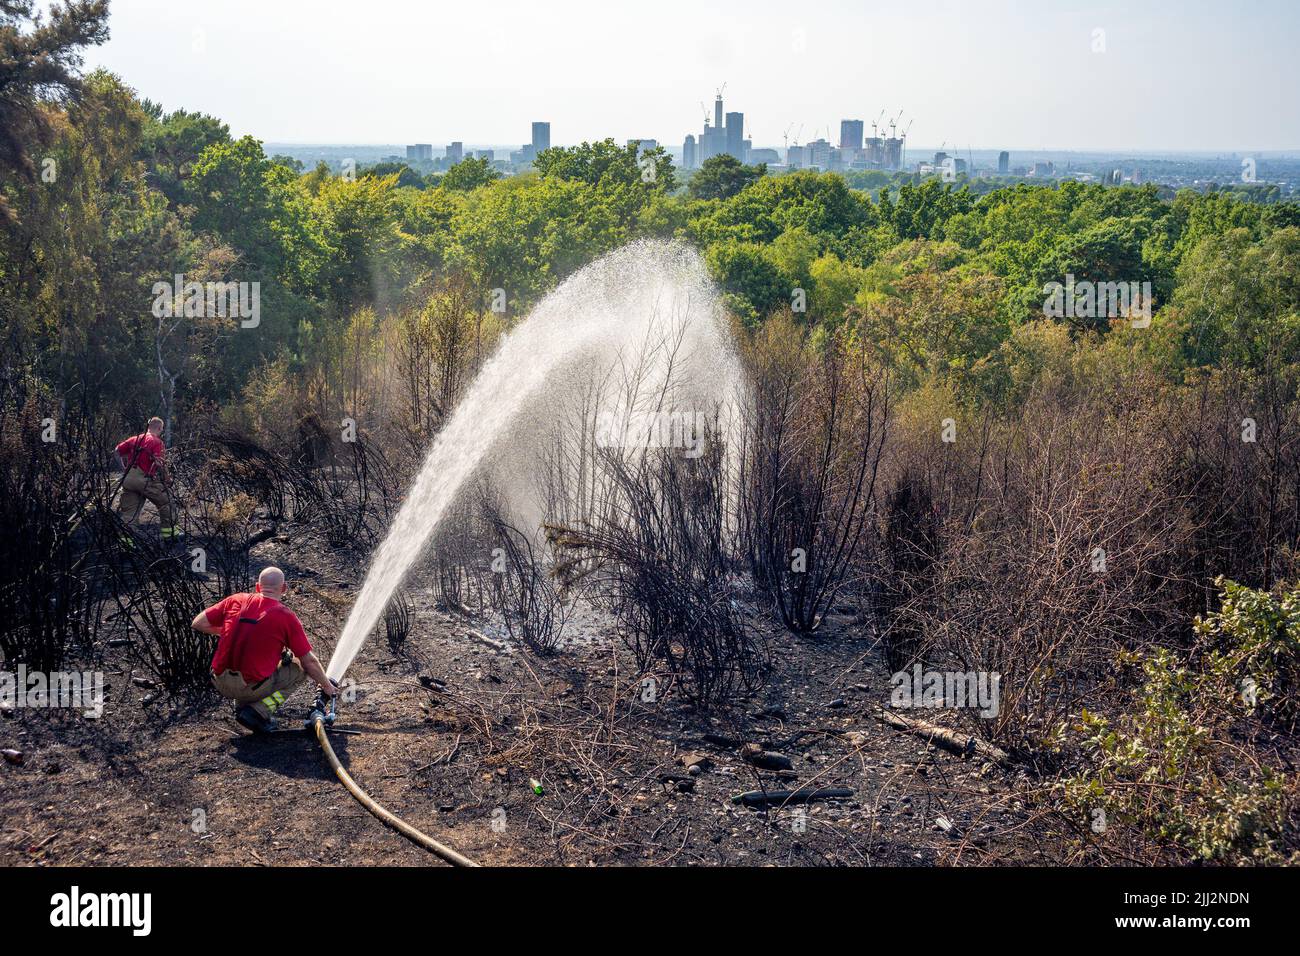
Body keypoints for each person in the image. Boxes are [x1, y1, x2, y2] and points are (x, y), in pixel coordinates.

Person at [192, 566, 337, 734]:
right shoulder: (284, 615)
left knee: (264, 665)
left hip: (219, 681)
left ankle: (243, 707)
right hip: (248, 688)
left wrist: (227, 632)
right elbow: (309, 661)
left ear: (257, 587)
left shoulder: (235, 600)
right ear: (283, 588)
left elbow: (198, 623)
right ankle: (259, 711)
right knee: (300, 669)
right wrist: (326, 686)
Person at [115, 417, 180, 541]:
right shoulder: (157, 442)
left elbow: (116, 451)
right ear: (160, 428)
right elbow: (159, 463)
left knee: (129, 514)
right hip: (144, 480)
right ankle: (170, 536)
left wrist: (124, 469)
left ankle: (126, 544)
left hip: (128, 480)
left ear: (148, 427)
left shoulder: (135, 439)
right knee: (167, 503)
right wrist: (167, 478)